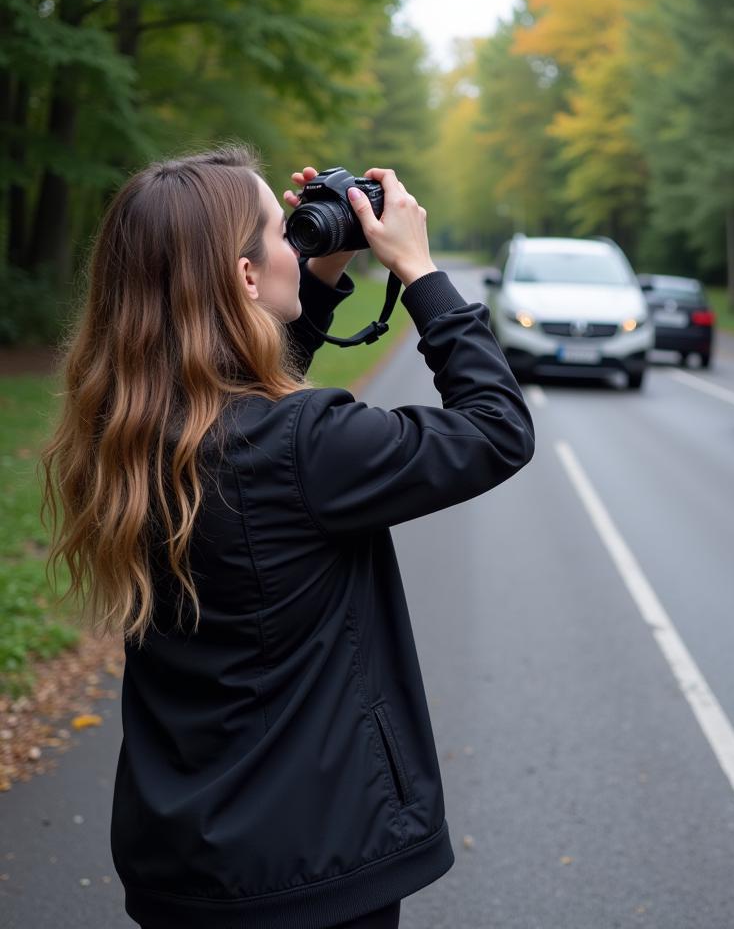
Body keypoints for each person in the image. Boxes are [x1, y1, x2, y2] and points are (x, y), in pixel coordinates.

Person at [40, 145, 535, 929]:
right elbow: (496, 430)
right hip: (314, 873)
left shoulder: (125, 434)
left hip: (181, 867)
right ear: (242, 278)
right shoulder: (304, 444)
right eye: (281, 234)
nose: (294, 246)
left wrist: (322, 274)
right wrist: (421, 275)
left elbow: (237, 397)